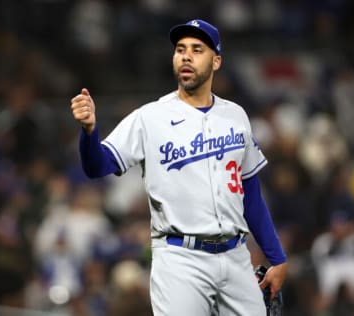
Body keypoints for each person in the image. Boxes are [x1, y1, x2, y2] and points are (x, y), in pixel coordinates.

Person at [70, 19, 287, 316]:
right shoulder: (150, 117)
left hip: (236, 256)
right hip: (180, 259)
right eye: (180, 49)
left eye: (197, 49)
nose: (186, 56)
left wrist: (277, 257)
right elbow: (96, 166)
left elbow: (249, 191)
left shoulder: (236, 115)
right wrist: (89, 132)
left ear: (216, 61)